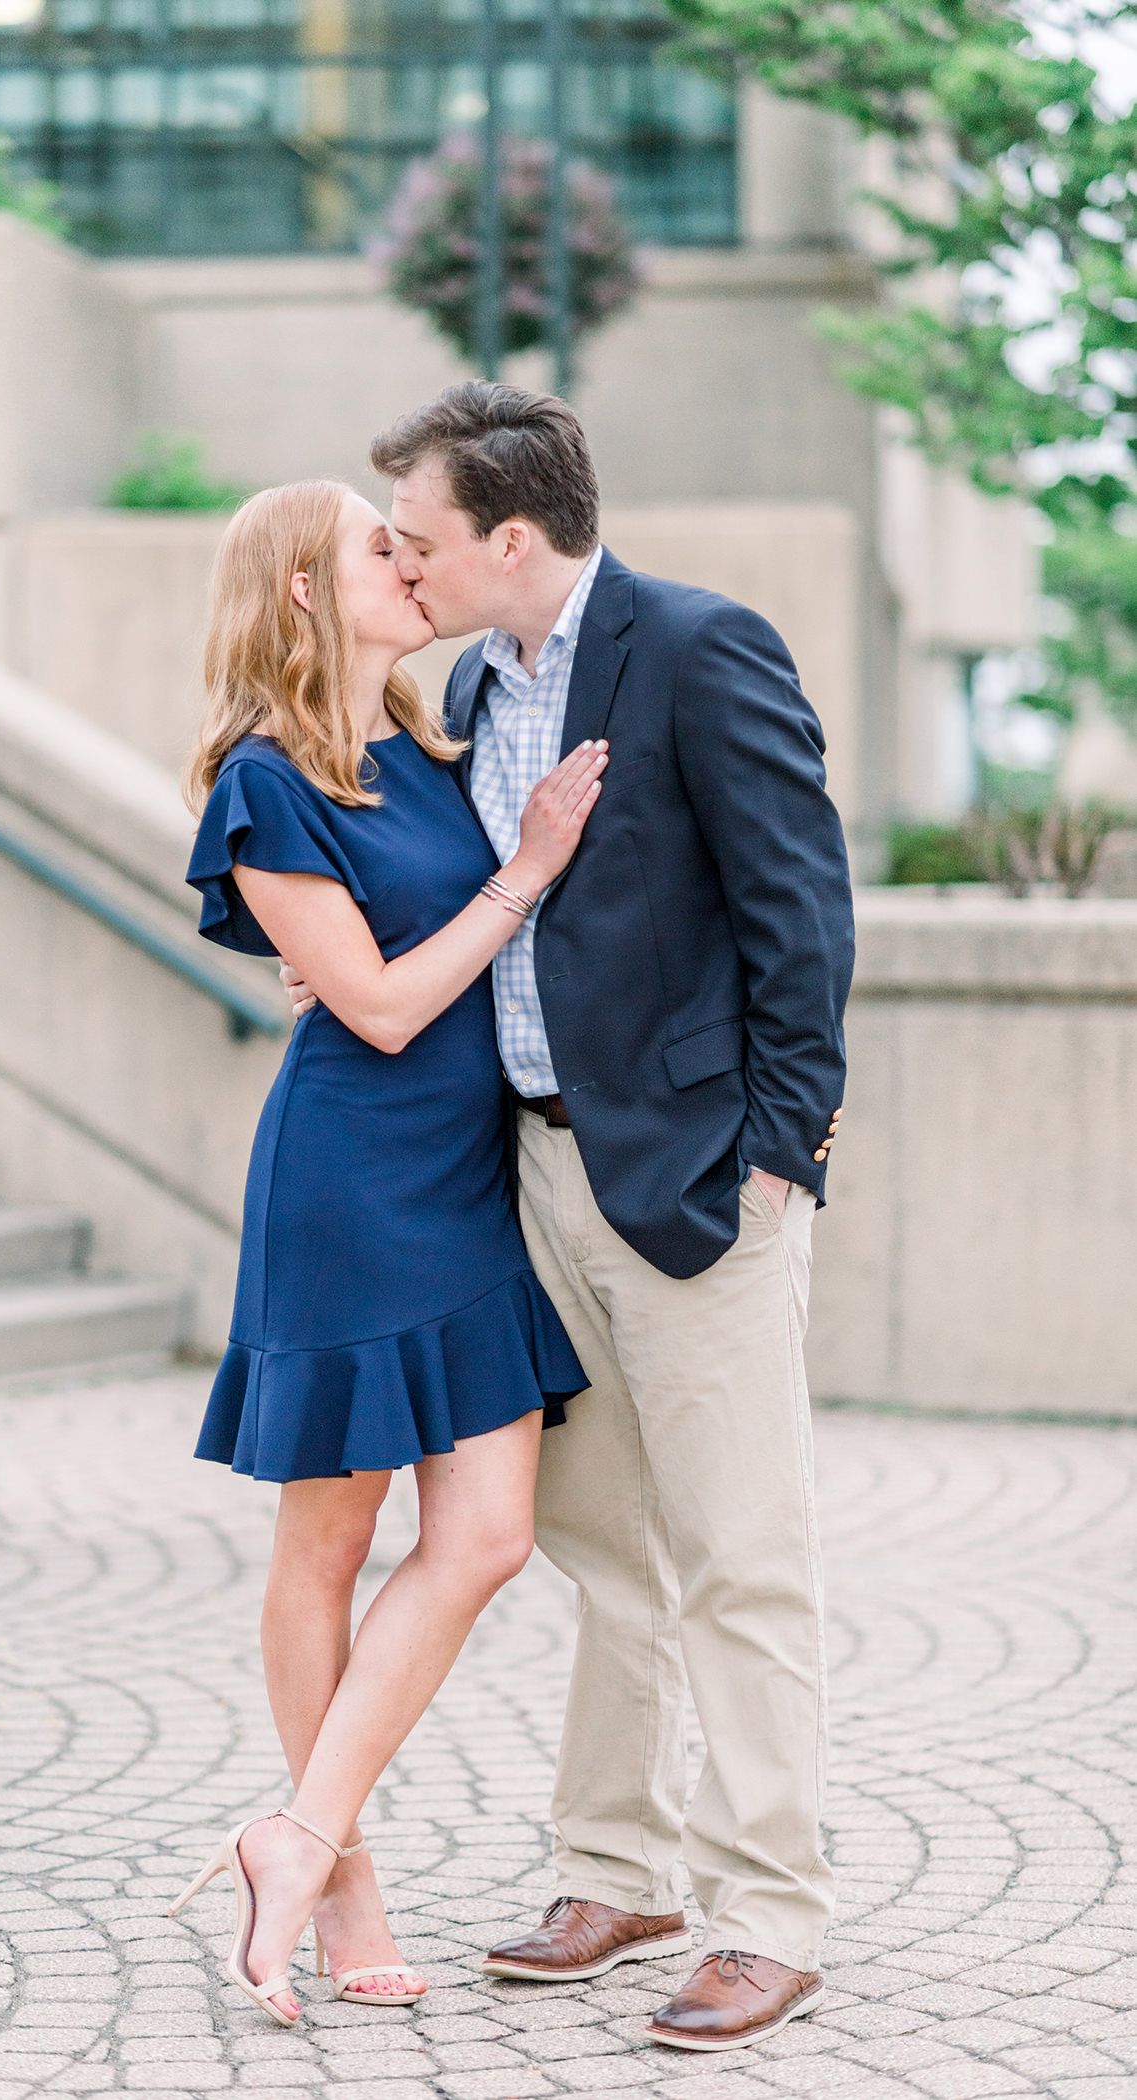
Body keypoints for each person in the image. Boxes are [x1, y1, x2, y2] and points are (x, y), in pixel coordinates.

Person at [285, 383, 855, 2051]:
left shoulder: (694, 645)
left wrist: (780, 1148)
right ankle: (619, 1867)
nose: (399, 558)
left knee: (742, 1557)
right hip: (531, 1182)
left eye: (420, 536)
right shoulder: (471, 684)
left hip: (694, 1179)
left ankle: (769, 1912)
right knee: (604, 1546)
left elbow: (800, 912)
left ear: (510, 540)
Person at [172, 478, 600, 2028]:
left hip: (464, 1179)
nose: (408, 563)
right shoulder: (261, 780)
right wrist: (524, 869)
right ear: (300, 587)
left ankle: (285, 1832)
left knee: (484, 1535)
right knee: (327, 1546)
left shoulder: (433, 744)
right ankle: (339, 1879)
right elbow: (384, 1005)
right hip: (350, 1188)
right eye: (378, 545)